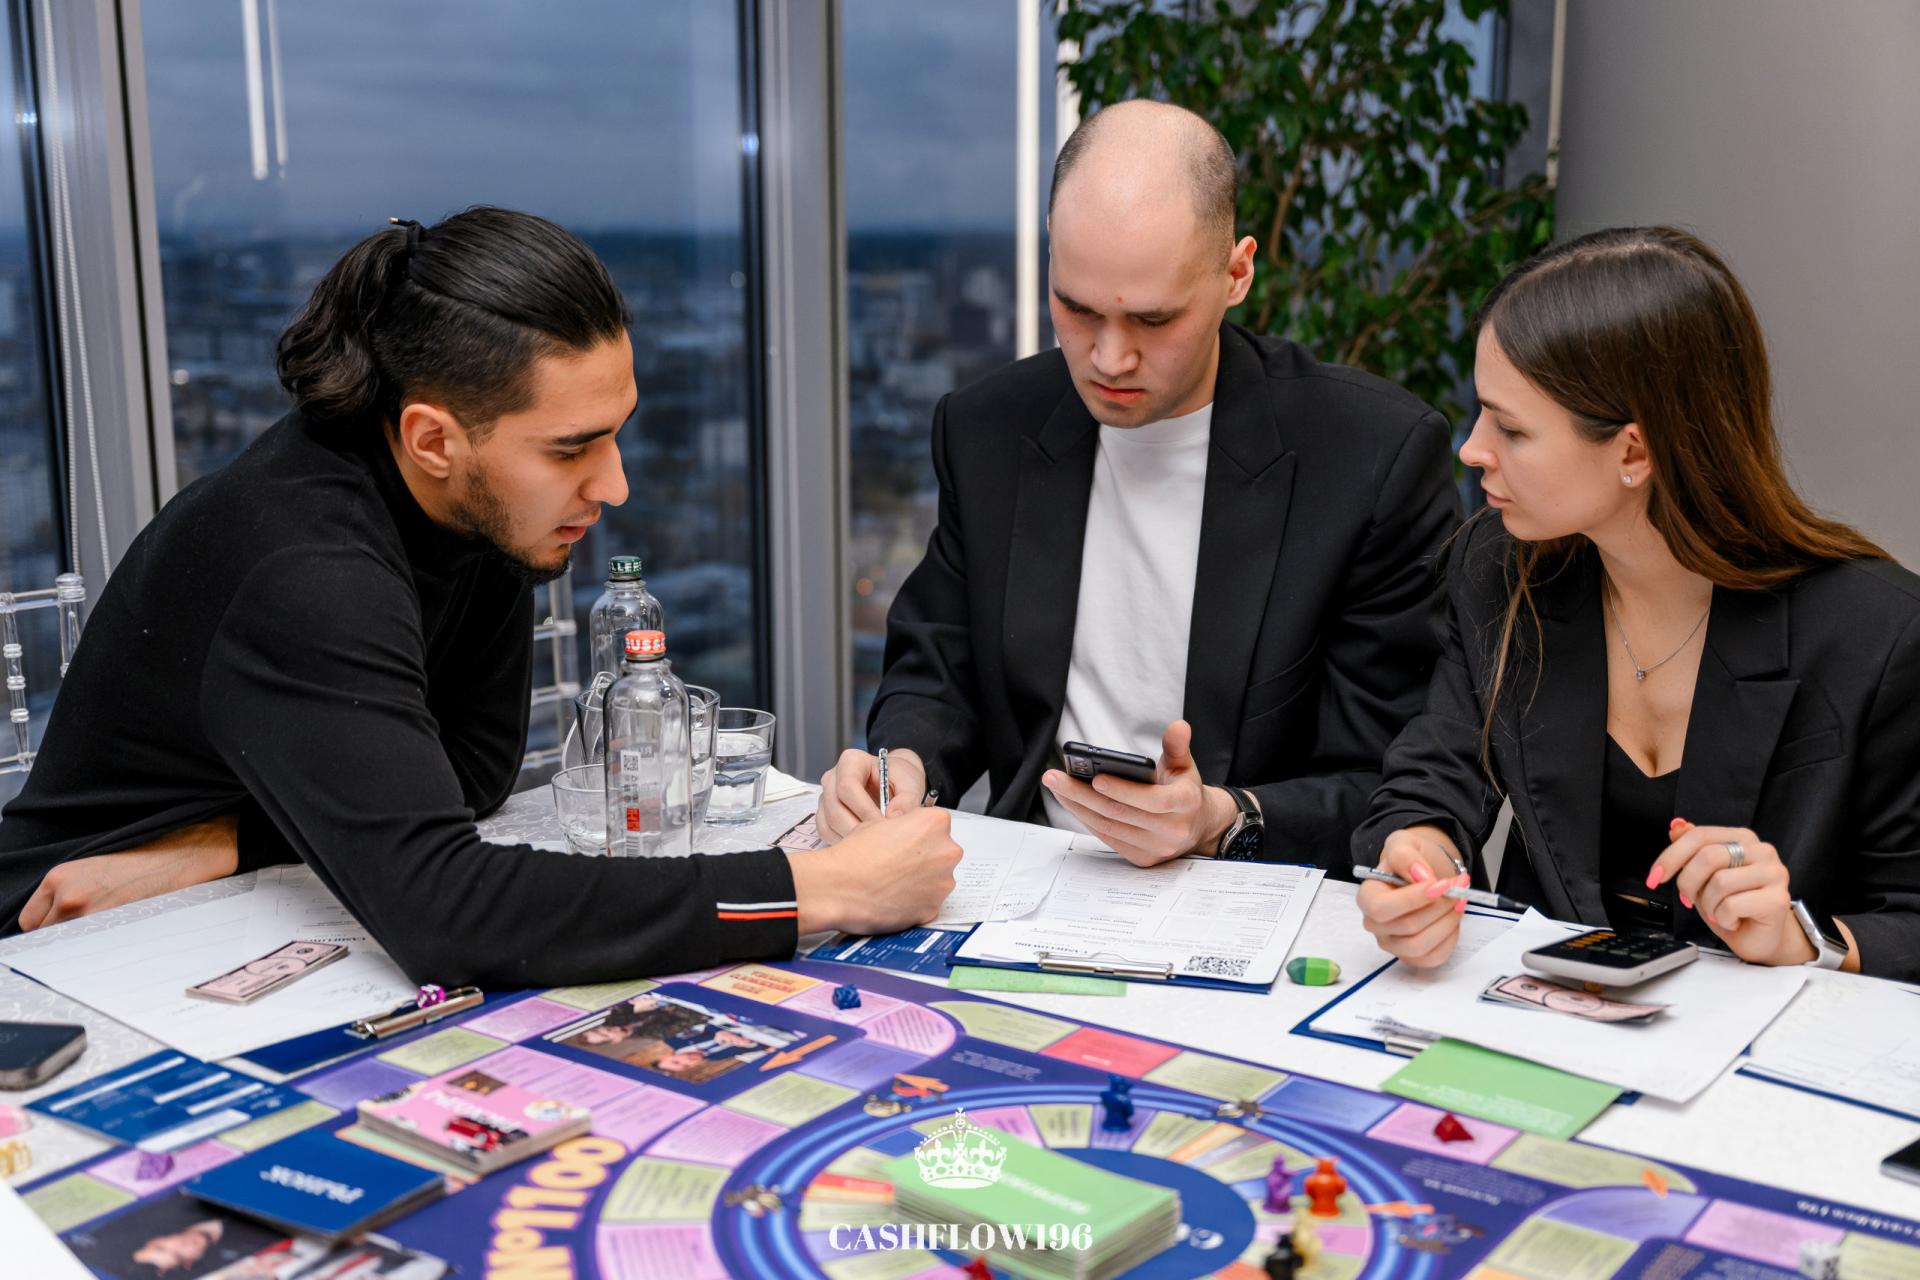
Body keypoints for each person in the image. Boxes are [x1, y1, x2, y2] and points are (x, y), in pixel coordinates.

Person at [0, 207, 960, 981]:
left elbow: (470, 773)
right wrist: (822, 888)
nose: (615, 485)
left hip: (214, 910)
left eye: (616, 432)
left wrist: (224, 843)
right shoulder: (304, 564)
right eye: (571, 449)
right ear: (432, 438)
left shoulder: (478, 505)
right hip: (63, 948)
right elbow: (447, 912)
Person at [817, 101, 1457, 868]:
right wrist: (904, 769)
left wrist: (1222, 818)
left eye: (1153, 321)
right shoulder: (988, 429)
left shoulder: (1369, 457)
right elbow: (937, 666)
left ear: (1237, 273)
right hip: (1034, 879)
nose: (1109, 359)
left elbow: (1398, 774)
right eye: (1076, 309)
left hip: (1256, 894)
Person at [1353, 226, 1920, 980]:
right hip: (1539, 1013)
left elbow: (1909, 916)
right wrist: (1419, 852)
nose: (1472, 448)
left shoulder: (1876, 634)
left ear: (1634, 451)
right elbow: (1434, 773)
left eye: (1512, 428)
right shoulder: (1497, 567)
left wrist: (1804, 938)